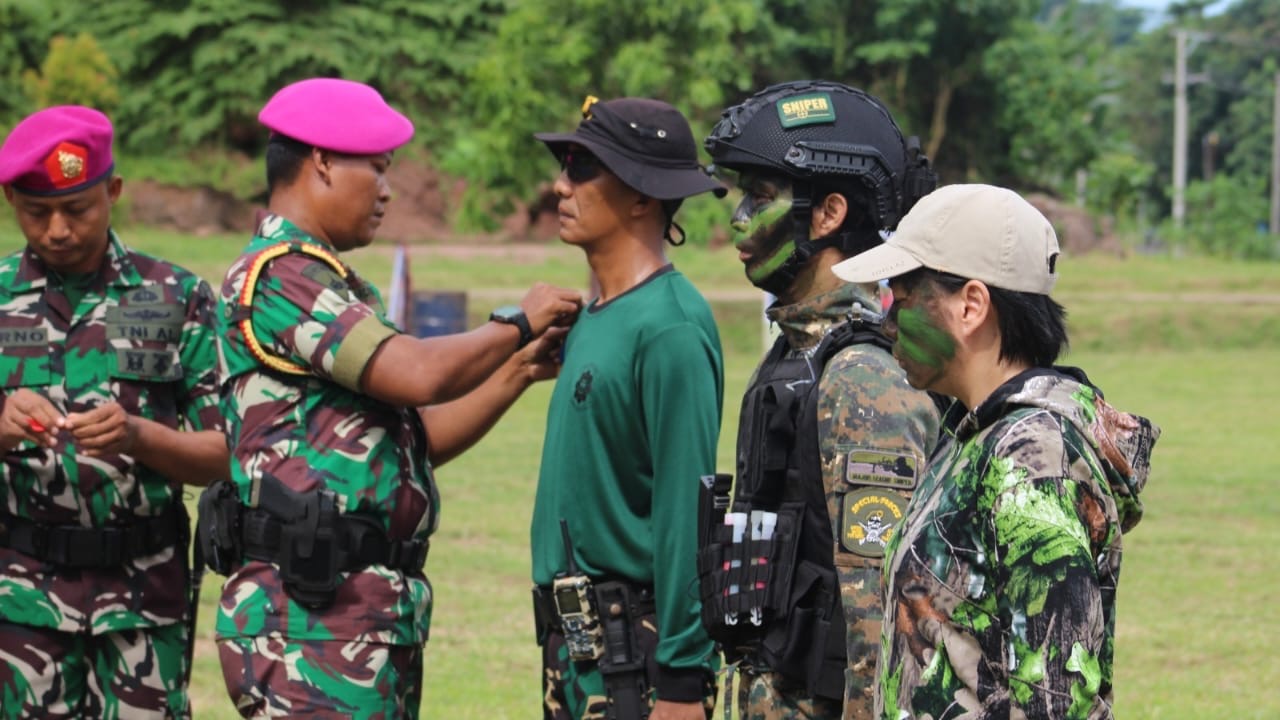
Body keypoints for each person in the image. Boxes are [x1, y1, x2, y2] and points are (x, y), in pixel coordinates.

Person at [203, 77, 583, 718]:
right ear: (322, 161)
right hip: (305, 626)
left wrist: (517, 370)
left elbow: (415, 443)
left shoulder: (329, 279)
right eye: (377, 169)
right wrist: (517, 322)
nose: (387, 190)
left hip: (354, 618)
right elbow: (416, 373)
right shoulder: (281, 275)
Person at [831, 183, 1160, 719]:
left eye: (902, 299)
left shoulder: (1032, 461)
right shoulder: (971, 437)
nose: (887, 323)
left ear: (971, 305)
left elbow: (1057, 703)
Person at [698, 80, 943, 720]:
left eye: (760, 196)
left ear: (829, 212)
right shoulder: (797, 351)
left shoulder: (860, 375)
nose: (739, 217)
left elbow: (879, 610)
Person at [0, 105, 228, 718]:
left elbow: (226, 453)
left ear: (114, 191)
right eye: (35, 211)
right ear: (10, 199)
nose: (57, 230)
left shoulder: (177, 297)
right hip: (19, 601)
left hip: (143, 599)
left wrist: (139, 436)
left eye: (77, 209)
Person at [529, 95, 727, 720]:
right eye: (564, 166)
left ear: (643, 196)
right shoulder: (595, 315)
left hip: (635, 653)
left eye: (583, 169)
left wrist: (682, 680)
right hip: (576, 650)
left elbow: (686, 511)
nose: (560, 187)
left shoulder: (670, 327)